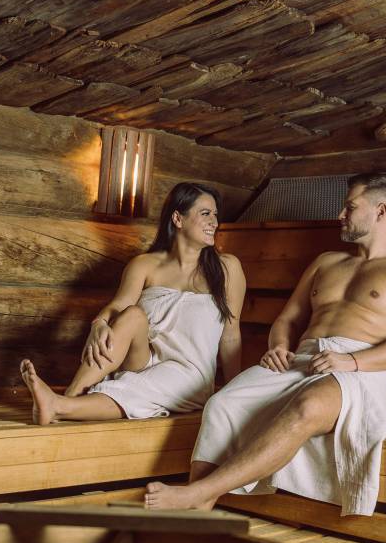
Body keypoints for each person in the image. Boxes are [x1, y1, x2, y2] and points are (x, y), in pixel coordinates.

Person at [144, 172, 386, 516]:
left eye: (350, 207)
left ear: (380, 210)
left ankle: (196, 493)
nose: (340, 215)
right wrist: (279, 346)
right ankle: (200, 510)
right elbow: (288, 319)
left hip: (363, 369)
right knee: (223, 403)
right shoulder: (327, 263)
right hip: (302, 358)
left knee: (308, 407)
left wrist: (352, 362)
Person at [20, 182, 244, 426]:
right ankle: (71, 395)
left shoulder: (227, 269)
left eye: (215, 215)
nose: (214, 222)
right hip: (142, 360)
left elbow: (230, 336)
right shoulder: (145, 265)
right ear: (178, 219)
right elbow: (119, 306)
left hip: (188, 372)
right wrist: (99, 324)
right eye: (205, 214)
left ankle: (59, 406)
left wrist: (233, 396)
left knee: (143, 386)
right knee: (133, 314)